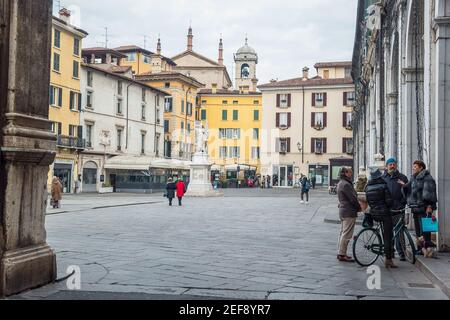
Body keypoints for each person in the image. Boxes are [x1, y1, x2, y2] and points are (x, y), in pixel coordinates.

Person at [401, 160, 438, 254]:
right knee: (418, 231)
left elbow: (430, 193)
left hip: (424, 208)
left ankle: (428, 250)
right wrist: (404, 186)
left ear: (421, 167)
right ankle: (421, 249)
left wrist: (429, 206)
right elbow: (408, 189)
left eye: (415, 167)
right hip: (416, 208)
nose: (413, 168)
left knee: (425, 230)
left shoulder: (427, 178)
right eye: (413, 167)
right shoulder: (413, 178)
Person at [365, 169, 397, 268]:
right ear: (379, 177)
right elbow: (389, 201)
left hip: (374, 213)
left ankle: (386, 252)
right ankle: (388, 260)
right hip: (384, 213)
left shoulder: (368, 187)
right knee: (387, 236)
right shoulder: (383, 186)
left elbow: (368, 201)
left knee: (384, 232)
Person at [382, 157, 409, 261]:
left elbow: (408, 192)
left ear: (396, 165)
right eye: (390, 164)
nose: (392, 166)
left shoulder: (402, 177)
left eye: (393, 164)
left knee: (399, 232)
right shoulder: (383, 178)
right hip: (387, 210)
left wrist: (403, 202)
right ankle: (390, 253)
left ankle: (402, 253)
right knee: (388, 233)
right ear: (386, 166)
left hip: (398, 209)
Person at [337, 167, 361, 262]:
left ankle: (340, 252)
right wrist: (359, 208)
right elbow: (353, 199)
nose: (351, 173)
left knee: (343, 233)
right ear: (346, 173)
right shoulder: (346, 184)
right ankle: (342, 254)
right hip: (348, 211)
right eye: (350, 172)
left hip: (343, 210)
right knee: (346, 234)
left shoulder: (341, 183)